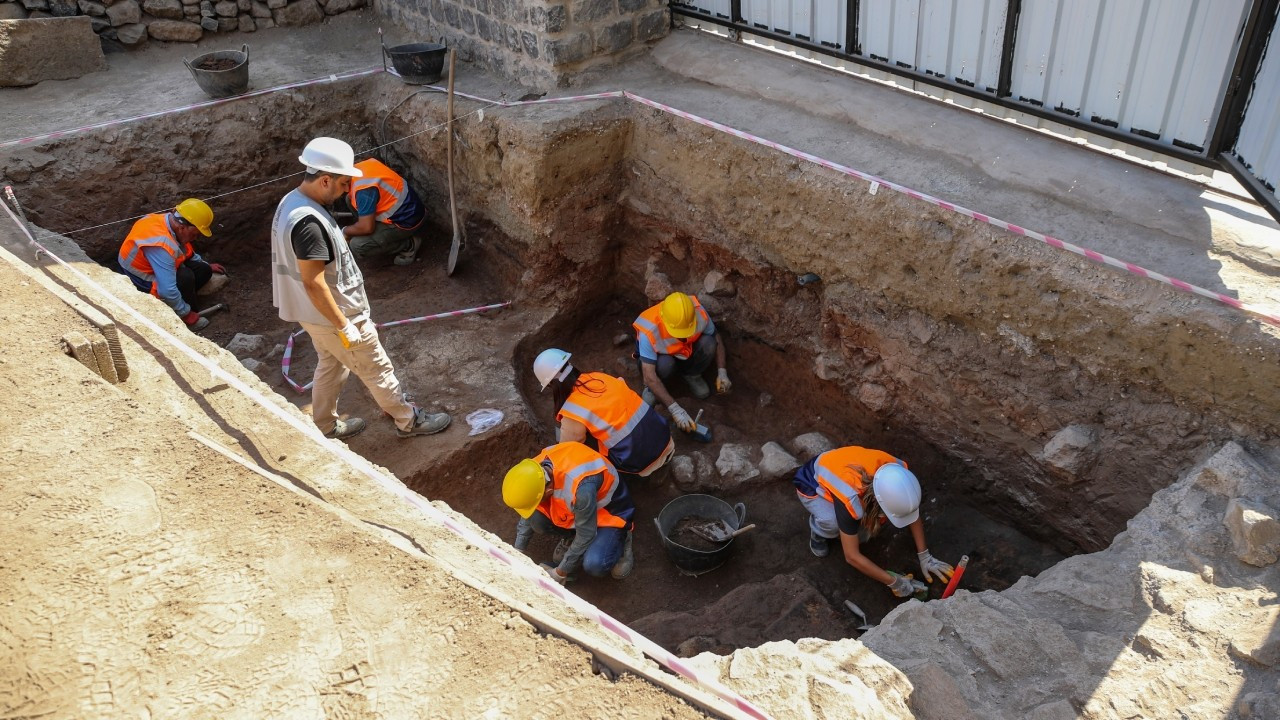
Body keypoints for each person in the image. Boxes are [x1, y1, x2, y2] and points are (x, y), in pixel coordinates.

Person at [270, 137, 450, 440]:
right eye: (342, 184)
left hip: (309, 314)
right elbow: (313, 282)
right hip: (335, 313)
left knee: (331, 364)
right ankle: (408, 421)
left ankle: (325, 424)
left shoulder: (292, 201)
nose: (345, 192)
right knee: (377, 368)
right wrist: (344, 325)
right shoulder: (309, 223)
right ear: (325, 179)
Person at [793, 445, 954, 598]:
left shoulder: (898, 476)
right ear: (877, 500)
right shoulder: (849, 497)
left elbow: (911, 509)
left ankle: (847, 525)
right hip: (812, 483)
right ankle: (819, 532)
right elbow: (852, 556)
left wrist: (925, 555)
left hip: (840, 466)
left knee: (864, 532)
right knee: (833, 523)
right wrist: (894, 583)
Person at [503, 442, 636, 583]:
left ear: (548, 491)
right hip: (580, 508)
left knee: (595, 564)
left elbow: (586, 534)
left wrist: (560, 572)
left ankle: (621, 538)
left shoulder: (581, 490)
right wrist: (517, 551)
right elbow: (527, 514)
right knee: (536, 520)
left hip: (609, 512)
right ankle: (574, 542)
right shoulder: (535, 470)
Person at [533, 348, 675, 477]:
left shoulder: (572, 410)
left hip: (641, 462)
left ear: (551, 384)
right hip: (664, 438)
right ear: (569, 363)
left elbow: (568, 447)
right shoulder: (598, 377)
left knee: (584, 445)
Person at [117, 198, 227, 332]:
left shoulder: (170, 223)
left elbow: (185, 249)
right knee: (184, 278)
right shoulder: (161, 244)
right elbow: (167, 290)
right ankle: (183, 317)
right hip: (140, 278)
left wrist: (203, 264)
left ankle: (181, 300)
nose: (195, 238)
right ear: (182, 227)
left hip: (156, 264)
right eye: (194, 234)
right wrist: (186, 313)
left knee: (203, 270)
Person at [632, 291, 731, 433]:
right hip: (660, 362)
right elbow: (649, 375)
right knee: (665, 364)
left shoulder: (698, 313)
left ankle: (692, 375)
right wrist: (675, 409)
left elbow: (717, 339)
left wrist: (722, 371)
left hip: (686, 355)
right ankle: (652, 390)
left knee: (709, 343)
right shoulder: (649, 329)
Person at [340, 157, 428, 266]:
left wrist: (345, 231)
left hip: (407, 221)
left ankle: (409, 244)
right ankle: (371, 231)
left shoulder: (364, 190)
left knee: (357, 246)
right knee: (349, 199)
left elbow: (367, 228)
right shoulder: (361, 168)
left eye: (342, 184)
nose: (343, 189)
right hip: (408, 209)